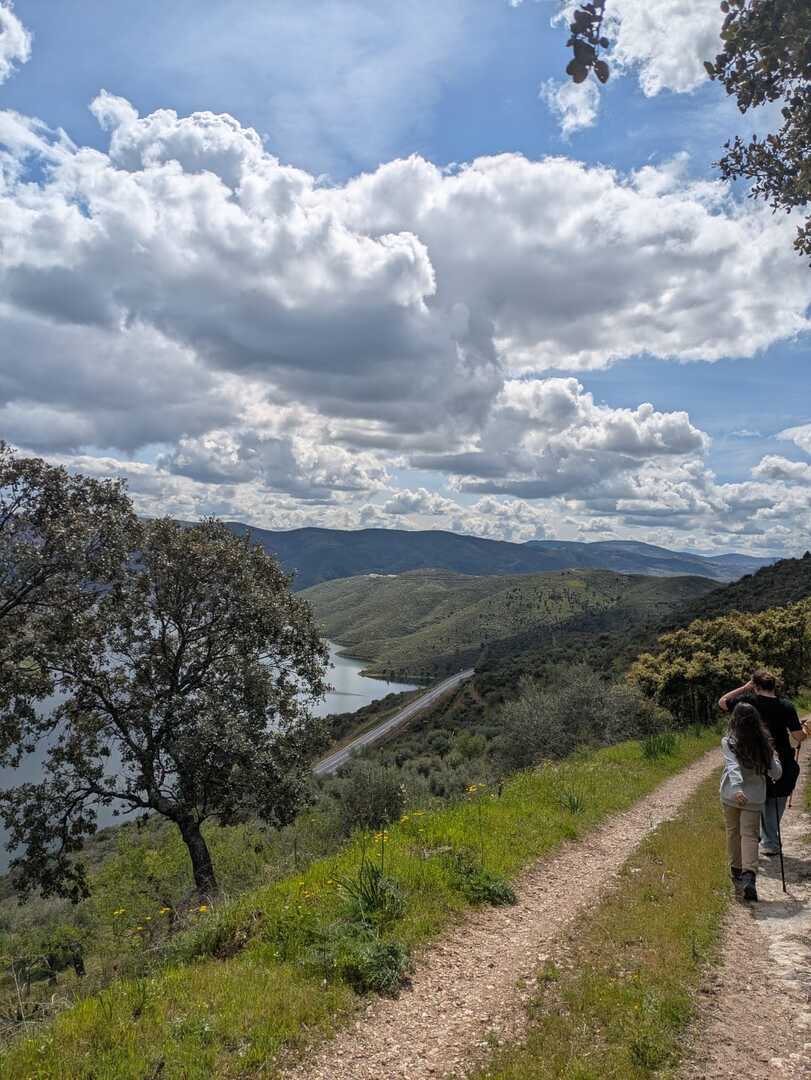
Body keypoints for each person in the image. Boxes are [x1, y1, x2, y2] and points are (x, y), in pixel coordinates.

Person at [719, 670, 807, 856]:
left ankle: (760, 838)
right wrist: (806, 729)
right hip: (780, 759)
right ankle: (770, 841)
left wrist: (744, 687)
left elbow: (723, 702)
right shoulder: (786, 706)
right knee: (776, 801)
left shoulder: (747, 702)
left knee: (756, 798)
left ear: (755, 686)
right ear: (774, 685)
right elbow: (798, 736)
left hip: (751, 759)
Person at [720, 701, 782, 902]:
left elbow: (733, 766)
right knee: (750, 835)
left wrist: (737, 788)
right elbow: (776, 774)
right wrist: (773, 758)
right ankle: (749, 876)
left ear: (735, 721)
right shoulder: (764, 744)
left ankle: (736, 870)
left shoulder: (729, 741)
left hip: (731, 794)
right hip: (754, 797)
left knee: (733, 833)